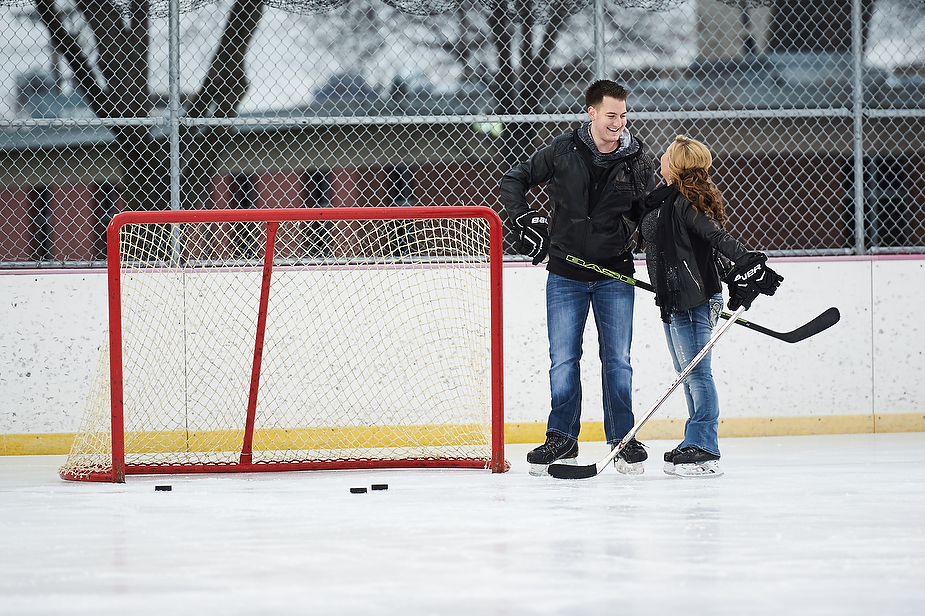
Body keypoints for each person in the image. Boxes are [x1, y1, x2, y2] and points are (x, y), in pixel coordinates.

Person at [500, 80, 656, 475]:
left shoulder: (638, 161)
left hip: (614, 272)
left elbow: (650, 217)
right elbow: (514, 179)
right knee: (563, 360)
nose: (618, 122)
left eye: (623, 115)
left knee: (617, 360)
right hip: (565, 273)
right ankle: (563, 438)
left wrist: (670, 270)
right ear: (591, 113)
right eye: (610, 115)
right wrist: (522, 218)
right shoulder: (562, 150)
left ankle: (623, 439)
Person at [640, 135, 783, 478]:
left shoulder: (686, 204)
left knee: (697, 374)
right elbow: (699, 251)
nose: (660, 159)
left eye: (666, 155)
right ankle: (695, 439)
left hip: (693, 301)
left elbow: (717, 238)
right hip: (675, 300)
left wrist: (749, 263)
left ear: (675, 165)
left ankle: (705, 446)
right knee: (687, 376)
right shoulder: (665, 200)